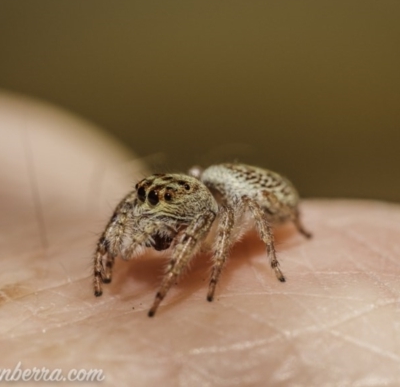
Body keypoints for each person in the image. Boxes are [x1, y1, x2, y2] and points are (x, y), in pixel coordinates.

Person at [1, 91, 399, 385]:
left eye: (166, 202)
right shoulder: (151, 201)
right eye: (146, 198)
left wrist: (215, 276)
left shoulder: (215, 212)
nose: (148, 211)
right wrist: (105, 257)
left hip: (269, 197)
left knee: (242, 206)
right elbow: (130, 212)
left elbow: (238, 218)